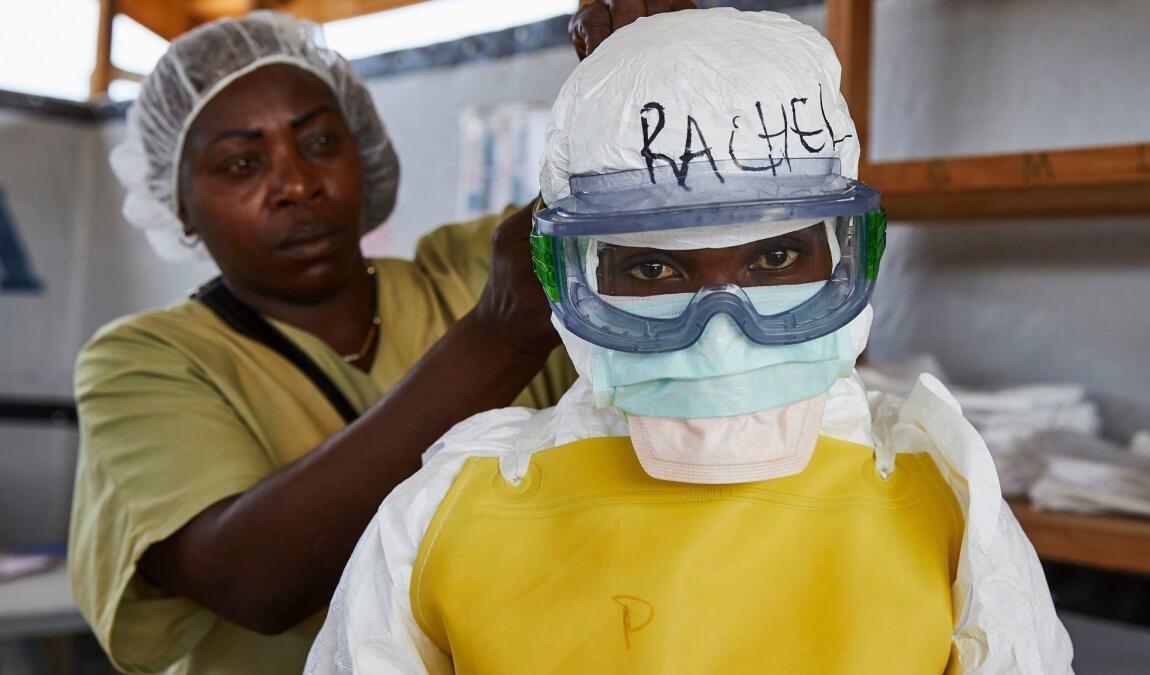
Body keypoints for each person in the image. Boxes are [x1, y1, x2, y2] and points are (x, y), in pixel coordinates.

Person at [305, 8, 1075, 675]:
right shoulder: (441, 516)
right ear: (560, 275)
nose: (719, 336)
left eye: (773, 258)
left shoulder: (947, 501)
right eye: (651, 266)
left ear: (846, 254)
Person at [65, 6, 669, 672]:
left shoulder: (462, 269)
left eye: (321, 142)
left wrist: (654, 73)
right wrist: (497, 335)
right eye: (241, 163)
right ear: (178, 201)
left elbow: (630, 222)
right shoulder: (143, 362)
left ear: (362, 146)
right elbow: (256, 580)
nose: (296, 183)